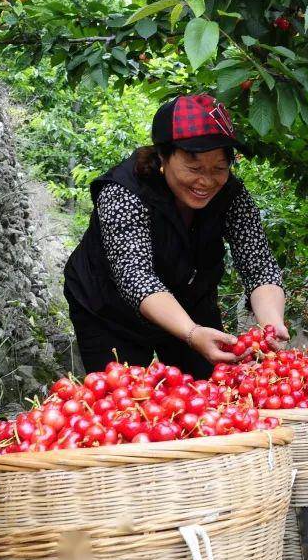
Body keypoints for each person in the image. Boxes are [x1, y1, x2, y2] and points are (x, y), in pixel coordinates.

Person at [63, 93, 287, 379]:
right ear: (162, 157)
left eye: (219, 168)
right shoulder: (123, 192)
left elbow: (259, 266)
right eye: (193, 168)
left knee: (210, 389)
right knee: (123, 398)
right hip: (108, 309)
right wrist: (192, 333)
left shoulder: (232, 195)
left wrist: (271, 325)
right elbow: (136, 277)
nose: (206, 181)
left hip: (189, 299)